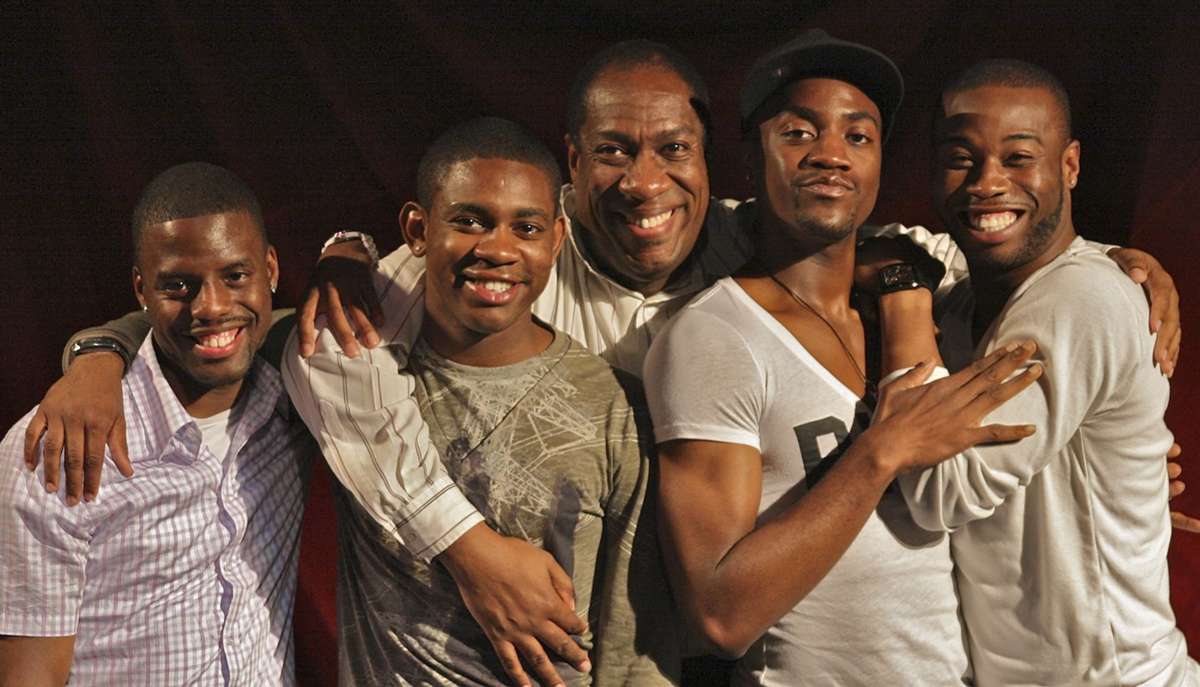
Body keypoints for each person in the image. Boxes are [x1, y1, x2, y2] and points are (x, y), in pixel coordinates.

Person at [28, 36, 1188, 685]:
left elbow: (967, 254)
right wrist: (98, 353)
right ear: (572, 167)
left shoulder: (751, 243)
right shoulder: (499, 258)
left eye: (672, 149)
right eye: (616, 154)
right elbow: (248, 321)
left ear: (710, 161)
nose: (647, 184)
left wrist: (1113, 264)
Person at [640, 32, 1048, 684]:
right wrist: (880, 451)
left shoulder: (925, 308)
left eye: (858, 136)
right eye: (799, 133)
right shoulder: (711, 336)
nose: (831, 153)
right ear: (749, 158)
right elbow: (719, 616)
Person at [283, 116, 678, 685]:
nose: (497, 249)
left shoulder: (616, 406)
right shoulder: (354, 371)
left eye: (527, 227)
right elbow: (236, 333)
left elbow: (637, 650)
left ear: (557, 239)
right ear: (417, 229)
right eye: (469, 221)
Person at [886, 59, 1197, 685]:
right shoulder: (961, 300)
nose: (987, 182)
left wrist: (900, 297)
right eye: (961, 158)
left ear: (1070, 165)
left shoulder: (1080, 297)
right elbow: (841, 233)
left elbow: (940, 489)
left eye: (1019, 157)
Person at [0, 163, 309, 685]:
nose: (212, 307)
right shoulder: (59, 444)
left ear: (271, 270)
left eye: (235, 276)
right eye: (179, 286)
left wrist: (348, 248)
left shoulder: (296, 393)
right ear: (141, 289)